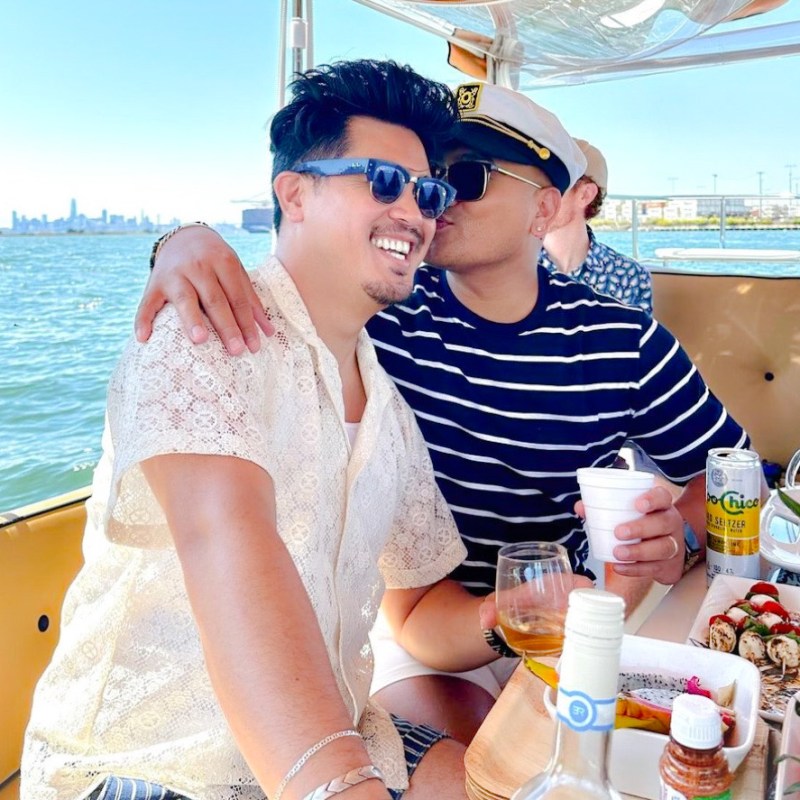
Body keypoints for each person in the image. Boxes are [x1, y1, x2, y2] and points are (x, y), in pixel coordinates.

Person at [133, 80, 757, 744]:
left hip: (570, 612)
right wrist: (184, 241)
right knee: (487, 754)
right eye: (425, 178)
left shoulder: (623, 343)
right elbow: (288, 284)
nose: (431, 200)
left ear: (544, 210)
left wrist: (681, 538)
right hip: (414, 622)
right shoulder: (384, 306)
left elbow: (735, 473)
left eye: (463, 176)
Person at [20, 59, 507, 800]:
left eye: (428, 191)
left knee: (511, 781)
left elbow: (412, 605)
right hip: (154, 761)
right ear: (295, 194)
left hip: (341, 725)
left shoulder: (387, 405)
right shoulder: (203, 330)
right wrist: (343, 785)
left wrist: (515, 618)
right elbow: (227, 539)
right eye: (382, 181)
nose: (413, 211)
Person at [539, 138, 653, 313]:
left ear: (586, 195)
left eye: (553, 184)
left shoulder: (630, 277)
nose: (538, 194)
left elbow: (634, 339)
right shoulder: (507, 268)